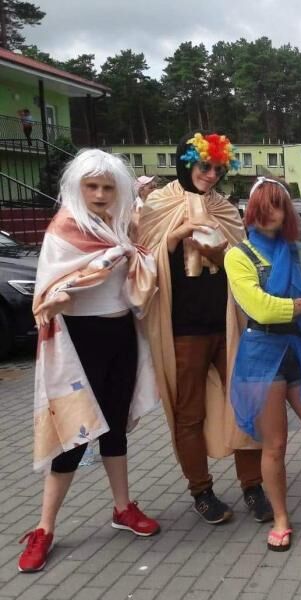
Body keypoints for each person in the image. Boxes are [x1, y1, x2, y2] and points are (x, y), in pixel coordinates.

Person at [18, 150, 160, 573]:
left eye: (107, 187)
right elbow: (49, 292)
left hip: (121, 336)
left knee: (114, 428)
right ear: (77, 188)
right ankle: (44, 528)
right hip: (79, 343)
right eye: (92, 186)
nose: (99, 194)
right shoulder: (64, 229)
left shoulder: (120, 227)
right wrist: (58, 297)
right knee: (73, 436)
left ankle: (122, 507)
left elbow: (135, 272)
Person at [138, 132, 271, 525]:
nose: (211, 175)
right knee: (189, 413)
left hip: (228, 325)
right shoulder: (158, 205)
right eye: (204, 166)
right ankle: (201, 490)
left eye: (218, 168)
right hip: (183, 330)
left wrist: (222, 253)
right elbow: (143, 262)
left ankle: (253, 485)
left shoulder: (224, 208)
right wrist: (176, 237)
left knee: (246, 405)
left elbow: (244, 261)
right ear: (186, 163)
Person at [224, 177, 301, 551]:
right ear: (251, 211)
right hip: (262, 357)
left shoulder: (300, 251)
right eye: (262, 206)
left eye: (277, 205)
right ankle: (280, 518)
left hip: (299, 353)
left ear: (286, 211)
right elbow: (261, 309)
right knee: (274, 445)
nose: (269, 213)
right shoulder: (238, 256)